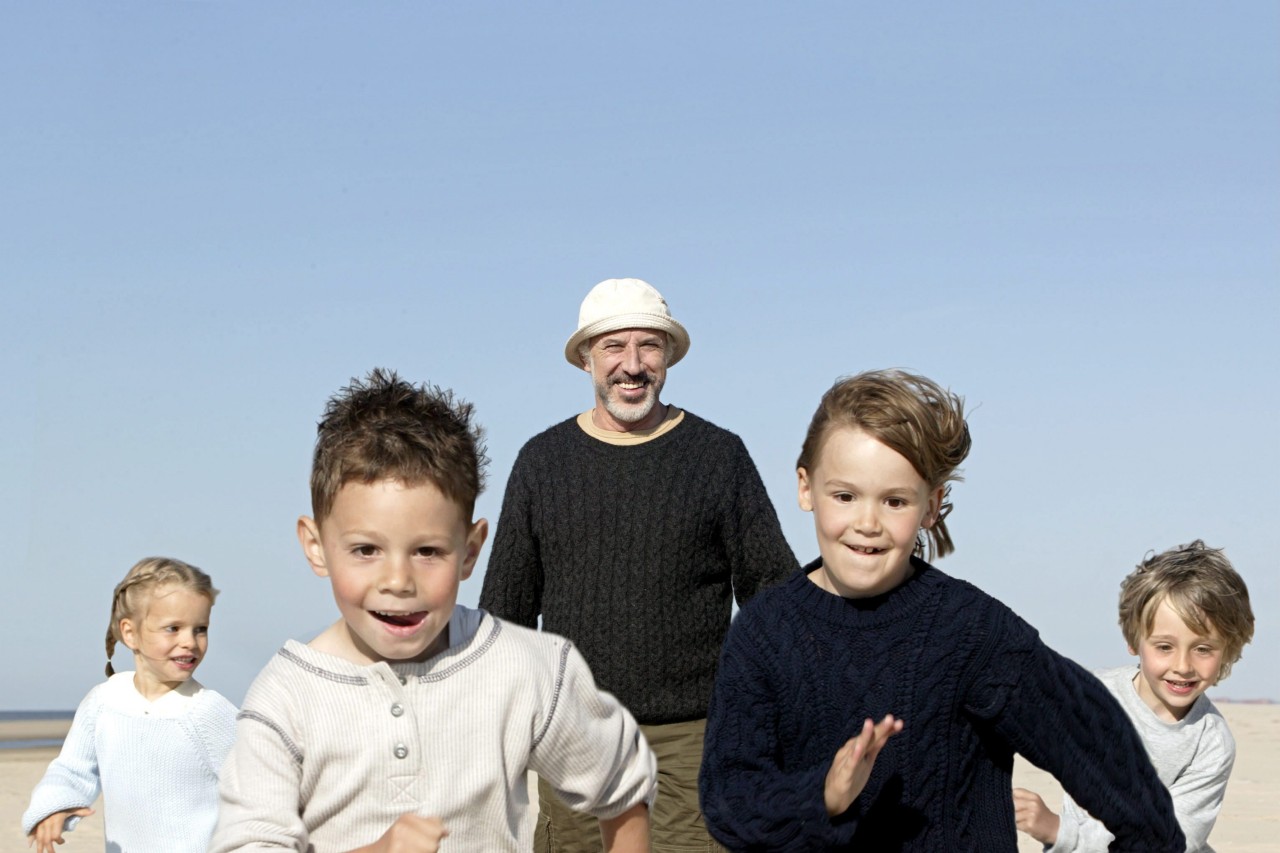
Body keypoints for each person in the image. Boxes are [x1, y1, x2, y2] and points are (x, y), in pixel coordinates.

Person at [698, 369, 1186, 851]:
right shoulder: (763, 632)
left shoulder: (971, 630)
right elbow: (729, 803)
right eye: (845, 496)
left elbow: (1102, 749)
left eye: (895, 501)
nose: (867, 523)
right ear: (806, 488)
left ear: (930, 506)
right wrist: (823, 794)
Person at [210, 368, 656, 853]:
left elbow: (621, 783)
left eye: (427, 552)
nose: (398, 582)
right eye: (365, 550)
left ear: (469, 550)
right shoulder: (286, 698)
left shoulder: (526, 668)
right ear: (316, 547)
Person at [480, 278, 799, 852]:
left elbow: (774, 599)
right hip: (574, 739)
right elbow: (505, 615)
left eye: (648, 346)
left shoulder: (718, 456)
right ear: (585, 359)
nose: (632, 365)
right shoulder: (541, 462)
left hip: (693, 743)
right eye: (612, 348)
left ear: (669, 357)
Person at [1014, 539, 1255, 852]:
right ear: (1133, 640)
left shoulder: (1211, 744)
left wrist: (1061, 832)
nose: (1183, 666)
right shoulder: (1093, 697)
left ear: (1227, 650)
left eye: (1203, 649)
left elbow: (1173, 841)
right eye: (1164, 647)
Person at [22, 556, 236, 853]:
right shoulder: (104, 703)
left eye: (200, 629)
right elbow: (72, 769)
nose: (190, 641)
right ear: (130, 633)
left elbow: (262, 786)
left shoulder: (209, 712)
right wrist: (53, 807)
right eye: (173, 628)